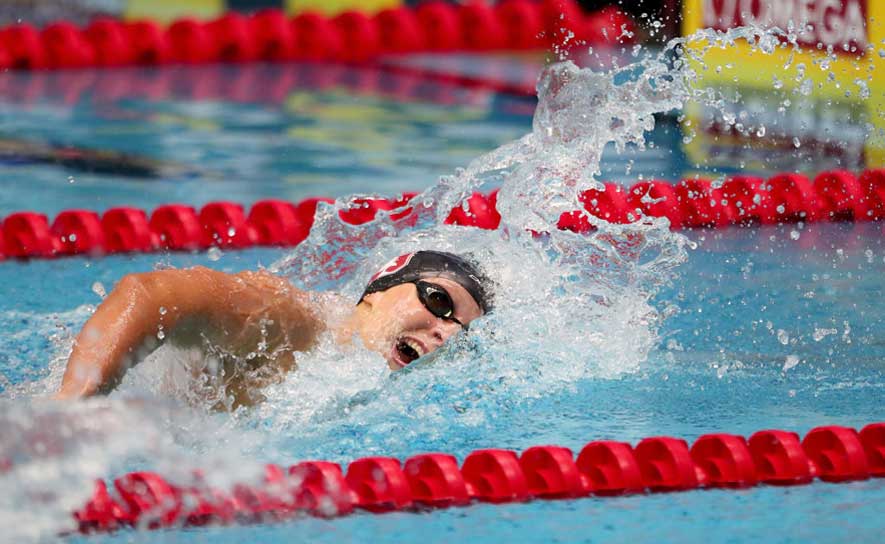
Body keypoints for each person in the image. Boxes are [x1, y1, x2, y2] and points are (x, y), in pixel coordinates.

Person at [55, 250, 493, 408]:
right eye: (439, 302)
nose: (445, 333)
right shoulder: (295, 323)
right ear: (378, 289)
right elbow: (150, 295)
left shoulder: (365, 387)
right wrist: (69, 407)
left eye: (462, 333)